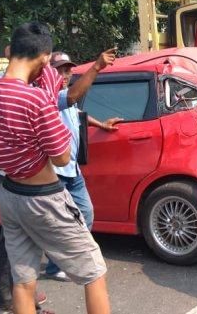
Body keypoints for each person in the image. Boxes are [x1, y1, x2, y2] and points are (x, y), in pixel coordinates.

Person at [0, 42, 116, 314]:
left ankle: (28, 290)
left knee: (23, 278)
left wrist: (5, 155)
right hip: (41, 192)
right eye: (54, 67)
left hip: (14, 192)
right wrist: (17, 154)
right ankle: (5, 302)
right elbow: (60, 157)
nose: (59, 75)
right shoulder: (31, 98)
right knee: (93, 272)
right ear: (43, 58)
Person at [42, 51, 122, 282]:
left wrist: (102, 124)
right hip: (55, 172)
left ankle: (63, 261)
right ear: (49, 71)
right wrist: (96, 66)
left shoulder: (66, 97)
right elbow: (73, 99)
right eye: (60, 70)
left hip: (72, 169)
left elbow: (76, 112)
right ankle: (56, 266)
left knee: (85, 213)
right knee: (61, 221)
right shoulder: (48, 97)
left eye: (68, 70)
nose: (66, 74)